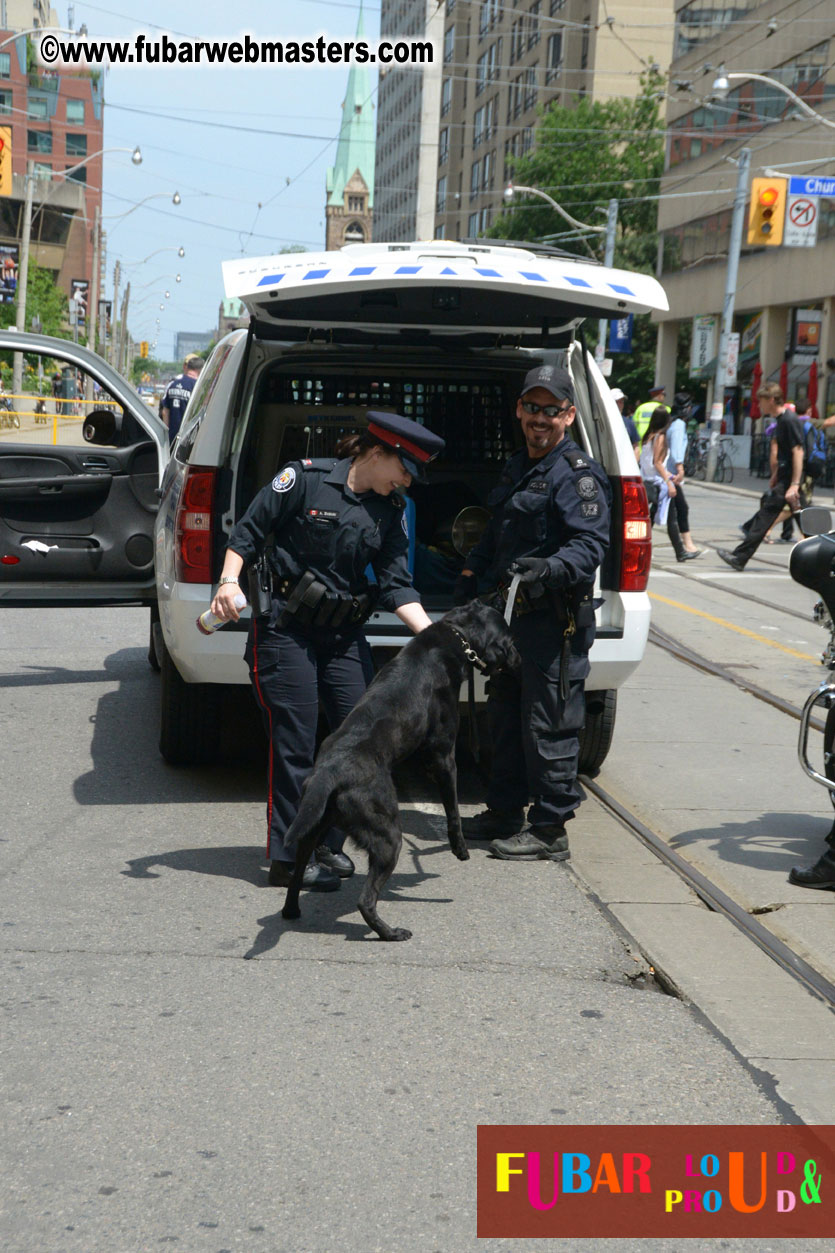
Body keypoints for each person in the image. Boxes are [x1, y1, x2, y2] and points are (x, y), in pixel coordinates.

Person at [209, 411, 444, 893]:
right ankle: (288, 857)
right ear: (377, 453)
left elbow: (399, 586)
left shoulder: (392, 510)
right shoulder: (304, 478)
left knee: (358, 741)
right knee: (295, 743)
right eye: (404, 470)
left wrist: (438, 641)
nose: (406, 481)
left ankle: (328, 847)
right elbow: (248, 532)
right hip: (286, 631)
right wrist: (228, 580)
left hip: (341, 638)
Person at [456, 364, 610, 863]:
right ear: (519, 410)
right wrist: (471, 575)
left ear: (567, 415)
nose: (539, 418)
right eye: (531, 408)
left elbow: (591, 544)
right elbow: (497, 532)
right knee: (503, 718)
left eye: (550, 410)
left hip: (553, 623)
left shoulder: (578, 475)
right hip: (508, 621)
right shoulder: (518, 465)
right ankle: (504, 812)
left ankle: (549, 829)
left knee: (549, 725)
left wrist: (552, 566)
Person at [718, 383, 806, 571]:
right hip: (784, 478)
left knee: (768, 517)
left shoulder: (789, 421)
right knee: (803, 520)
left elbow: (798, 452)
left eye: (762, 401)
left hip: (790, 480)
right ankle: (739, 557)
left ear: (772, 400)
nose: (759, 405)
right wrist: (775, 475)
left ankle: (739, 557)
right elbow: (784, 454)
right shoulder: (781, 421)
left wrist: (795, 484)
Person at [639, 407, 697, 563]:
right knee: (671, 519)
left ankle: (642, 549)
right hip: (657, 485)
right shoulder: (660, 437)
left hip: (648, 481)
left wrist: (672, 476)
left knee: (650, 518)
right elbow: (657, 463)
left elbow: (648, 464)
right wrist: (669, 483)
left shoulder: (648, 436)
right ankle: (680, 552)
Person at [665, 392, 703, 558]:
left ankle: (686, 546)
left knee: (671, 510)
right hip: (671, 474)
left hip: (668, 473)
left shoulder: (673, 422)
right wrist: (680, 468)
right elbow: (676, 449)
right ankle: (686, 546)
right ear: (687, 409)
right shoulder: (679, 424)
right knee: (679, 509)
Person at [160, 354, 204, 445]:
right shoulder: (197, 387)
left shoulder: (172, 384)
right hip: (188, 440)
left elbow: (165, 412)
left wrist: (166, 436)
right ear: (200, 370)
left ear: (187, 367)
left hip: (172, 437)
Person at [611, 387, 640, 460]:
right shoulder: (602, 420)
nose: (621, 404)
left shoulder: (628, 422)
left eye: (622, 401)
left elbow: (636, 446)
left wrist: (633, 465)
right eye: (617, 401)